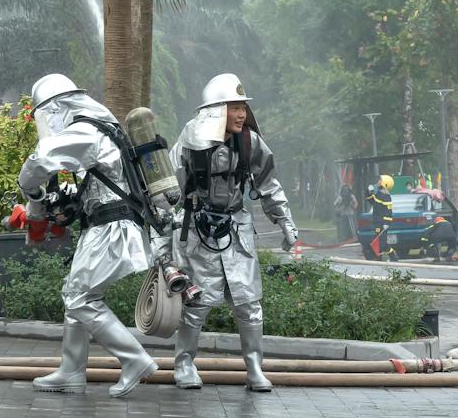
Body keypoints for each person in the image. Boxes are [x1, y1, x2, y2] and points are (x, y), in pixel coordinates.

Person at [21, 74, 159, 398]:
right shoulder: (99, 129)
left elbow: (41, 158)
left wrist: (28, 188)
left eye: (46, 114)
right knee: (74, 295)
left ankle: (135, 359)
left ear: (57, 107)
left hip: (110, 227)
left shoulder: (86, 130)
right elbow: (92, 184)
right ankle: (71, 371)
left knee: (81, 299)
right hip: (103, 225)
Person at [170, 74, 298, 392]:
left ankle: (255, 367)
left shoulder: (249, 142)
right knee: (195, 303)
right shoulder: (190, 139)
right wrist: (162, 229)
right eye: (234, 107)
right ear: (216, 110)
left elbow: (269, 183)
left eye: (243, 107)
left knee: (249, 304)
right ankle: (184, 364)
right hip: (198, 232)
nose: (241, 114)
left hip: (236, 230)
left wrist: (286, 222)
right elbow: (170, 183)